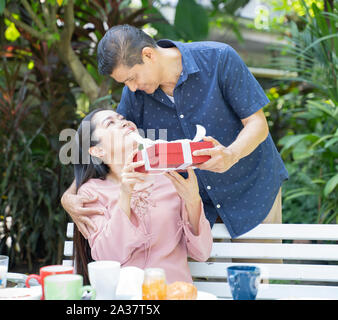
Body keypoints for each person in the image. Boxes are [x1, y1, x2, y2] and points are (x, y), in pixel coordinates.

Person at [61, 24, 288, 240]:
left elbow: (257, 123)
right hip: (196, 209)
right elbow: (108, 149)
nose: (130, 88)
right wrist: (70, 194)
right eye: (124, 83)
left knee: (256, 277)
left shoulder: (219, 58)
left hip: (252, 190)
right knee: (198, 282)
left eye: (132, 78)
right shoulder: (136, 94)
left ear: (148, 55)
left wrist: (231, 154)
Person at [71, 108, 212, 284]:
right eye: (110, 123)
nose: (124, 122)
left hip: (174, 292)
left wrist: (193, 201)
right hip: (125, 297)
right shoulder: (91, 192)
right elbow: (107, 257)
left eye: (122, 118)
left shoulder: (168, 178)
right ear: (97, 151)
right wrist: (125, 193)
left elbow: (202, 252)